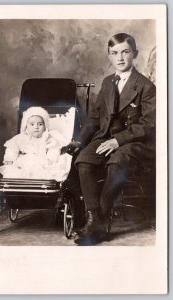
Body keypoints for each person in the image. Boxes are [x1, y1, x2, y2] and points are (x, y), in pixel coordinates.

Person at [62, 33, 156, 245]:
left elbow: (148, 125)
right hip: (105, 137)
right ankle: (95, 218)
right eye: (115, 53)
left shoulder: (146, 86)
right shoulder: (107, 83)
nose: (120, 58)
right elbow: (95, 118)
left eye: (125, 52)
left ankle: (98, 223)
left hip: (134, 141)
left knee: (116, 161)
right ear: (109, 56)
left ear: (135, 54)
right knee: (83, 160)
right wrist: (79, 141)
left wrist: (118, 141)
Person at [0, 106, 72, 181]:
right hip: (24, 164)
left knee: (48, 173)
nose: (36, 127)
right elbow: (12, 148)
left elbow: (54, 149)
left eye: (40, 124)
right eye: (32, 124)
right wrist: (10, 160)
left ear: (45, 127)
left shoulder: (48, 138)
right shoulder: (20, 138)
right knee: (16, 173)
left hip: (43, 163)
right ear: (26, 126)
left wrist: (50, 161)